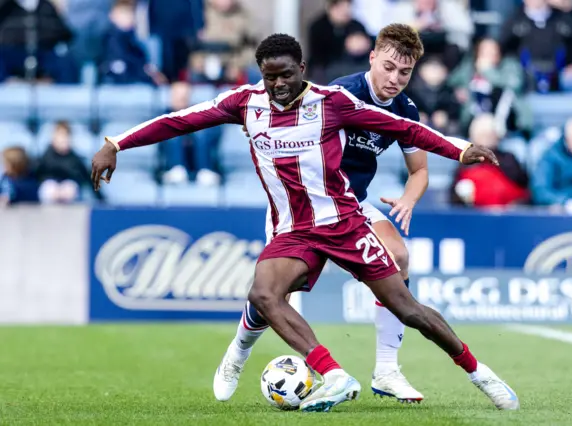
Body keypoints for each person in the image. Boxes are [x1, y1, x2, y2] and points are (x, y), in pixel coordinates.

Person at [91, 33, 519, 413]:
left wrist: (461, 149)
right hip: (292, 228)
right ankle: (328, 372)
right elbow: (179, 120)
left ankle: (479, 372)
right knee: (264, 292)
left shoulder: (332, 102)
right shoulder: (245, 103)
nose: (276, 85)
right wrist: (117, 143)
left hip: (344, 221)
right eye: (268, 76)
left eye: (285, 76)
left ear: (302, 70)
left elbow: (401, 127)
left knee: (408, 309)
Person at [215, 23, 437, 404]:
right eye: (388, 67)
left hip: (351, 205)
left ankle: (387, 369)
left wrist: (409, 198)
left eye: (404, 72)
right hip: (303, 208)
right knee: (270, 296)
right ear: (372, 58)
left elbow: (420, 170)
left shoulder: (405, 109)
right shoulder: (339, 94)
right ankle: (238, 352)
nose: (395, 78)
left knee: (398, 256)